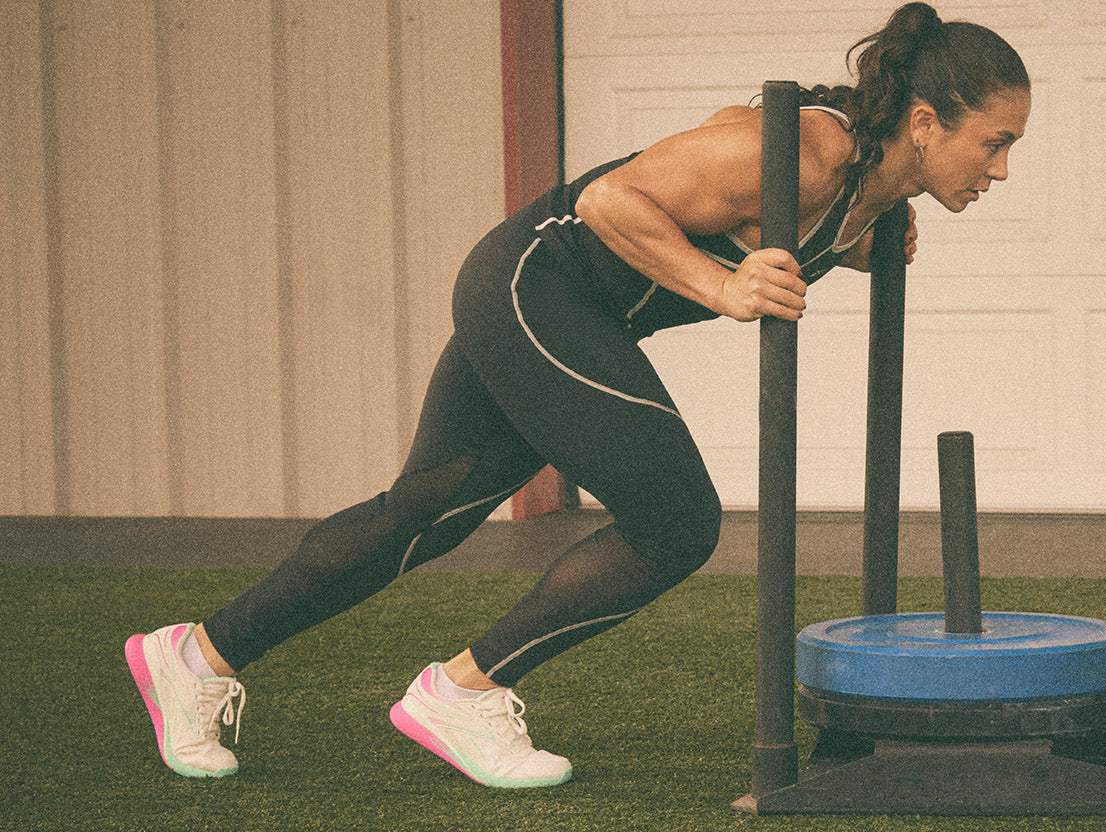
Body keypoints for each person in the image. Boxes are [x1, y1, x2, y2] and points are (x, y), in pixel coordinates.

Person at [124, 1, 1029, 789]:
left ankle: (193, 657)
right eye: (994, 142)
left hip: (565, 306)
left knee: (427, 512)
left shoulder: (869, 193)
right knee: (675, 520)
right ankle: (463, 693)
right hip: (537, 284)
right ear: (924, 121)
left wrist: (863, 246)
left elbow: (792, 232)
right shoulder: (802, 153)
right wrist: (721, 289)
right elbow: (607, 201)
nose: (999, 169)